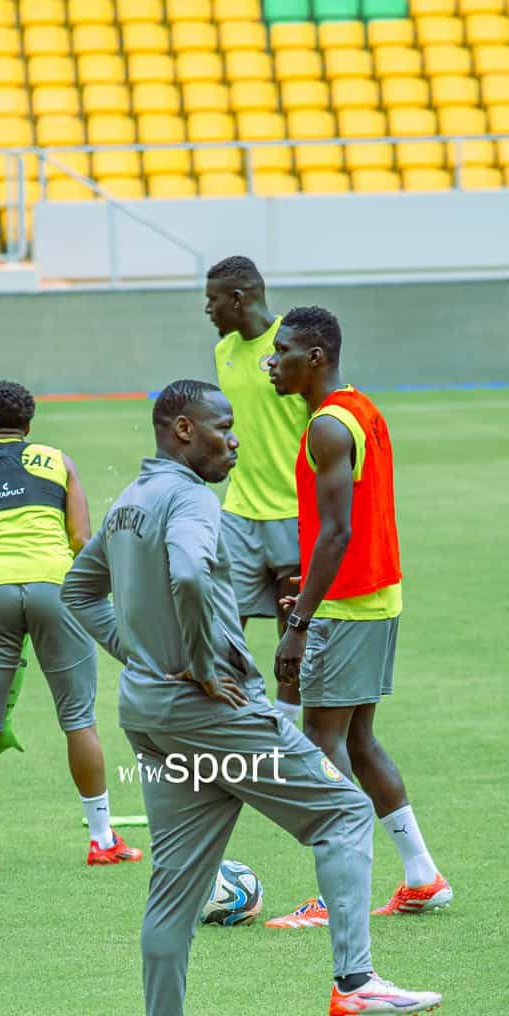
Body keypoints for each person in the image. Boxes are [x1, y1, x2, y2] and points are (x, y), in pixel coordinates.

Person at [61, 379, 442, 1016]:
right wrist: (202, 664)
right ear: (182, 430)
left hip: (148, 715)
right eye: (223, 426)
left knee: (175, 888)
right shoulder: (191, 499)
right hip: (211, 711)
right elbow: (190, 575)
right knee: (344, 810)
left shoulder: (125, 505)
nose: (234, 439)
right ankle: (355, 978)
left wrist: (144, 659)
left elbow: (77, 591)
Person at [266, 306, 453, 922]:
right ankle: (421, 875)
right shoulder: (359, 409)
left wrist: (300, 622)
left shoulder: (327, 427)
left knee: (322, 742)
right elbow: (344, 527)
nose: (273, 362)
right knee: (357, 739)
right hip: (372, 597)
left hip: (349, 608)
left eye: (284, 350)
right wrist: (309, 590)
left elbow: (338, 530)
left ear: (315, 357)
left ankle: (335, 894)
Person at [0, 379, 142, 871]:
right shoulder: (58, 462)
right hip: (56, 589)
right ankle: (102, 840)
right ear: (29, 426)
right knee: (78, 718)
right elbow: (81, 537)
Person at [205, 256, 309, 724]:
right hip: (239, 510)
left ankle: (286, 720)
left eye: (212, 300)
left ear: (238, 298)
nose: (207, 309)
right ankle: (233, 717)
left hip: (294, 509)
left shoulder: (295, 340)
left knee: (293, 624)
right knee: (226, 620)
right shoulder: (222, 351)